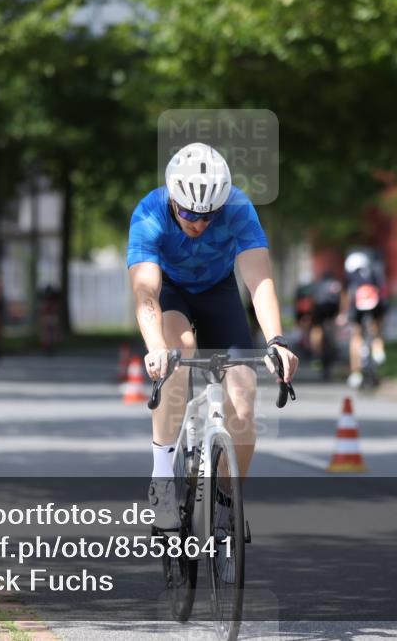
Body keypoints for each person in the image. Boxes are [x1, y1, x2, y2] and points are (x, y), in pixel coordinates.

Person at [127, 142, 299, 528]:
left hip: (219, 292)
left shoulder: (238, 208)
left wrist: (276, 341)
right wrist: (156, 348)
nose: (199, 223)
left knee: (243, 395)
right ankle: (162, 478)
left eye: (209, 215)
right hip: (171, 291)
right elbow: (146, 292)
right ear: (173, 199)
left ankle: (226, 501)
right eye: (189, 213)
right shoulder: (149, 213)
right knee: (179, 353)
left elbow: (259, 280)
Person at [340, 251, 387, 389]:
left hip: (357, 304)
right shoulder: (374, 272)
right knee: (377, 328)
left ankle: (356, 373)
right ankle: (378, 350)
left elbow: (346, 296)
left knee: (356, 336)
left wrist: (343, 314)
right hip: (375, 302)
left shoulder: (350, 276)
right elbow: (382, 291)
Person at [309, 270, 343, 380]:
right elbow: (341, 298)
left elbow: (312, 299)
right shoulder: (336, 284)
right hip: (332, 309)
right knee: (332, 327)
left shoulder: (318, 284)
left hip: (319, 309)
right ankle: (333, 344)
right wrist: (341, 314)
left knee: (316, 328)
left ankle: (316, 353)